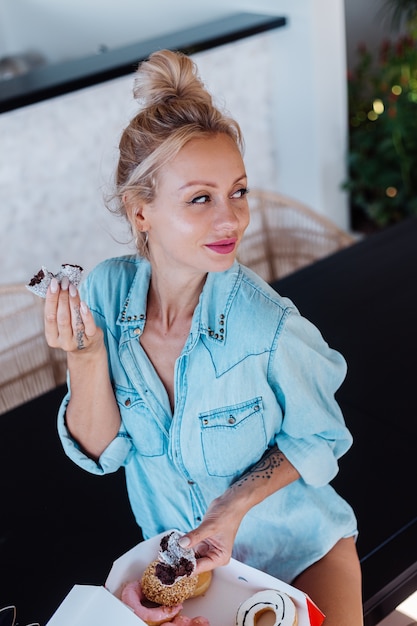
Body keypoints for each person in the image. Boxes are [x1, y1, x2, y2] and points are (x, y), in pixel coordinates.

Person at [44, 49, 363, 625]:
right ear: (140, 212)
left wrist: (229, 509)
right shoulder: (107, 296)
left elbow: (320, 435)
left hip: (300, 553)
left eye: (237, 192)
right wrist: (86, 356)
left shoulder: (268, 326)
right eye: (201, 199)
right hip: (185, 571)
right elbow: (101, 454)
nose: (231, 220)